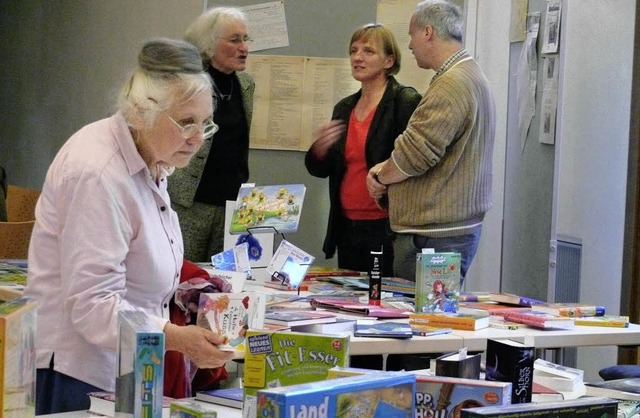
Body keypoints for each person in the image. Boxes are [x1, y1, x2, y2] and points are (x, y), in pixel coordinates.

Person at [24, 38, 234, 415]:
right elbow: (93, 306)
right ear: (141, 112)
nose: (199, 138)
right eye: (186, 122)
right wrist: (178, 339)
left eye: (205, 124)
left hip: (127, 363)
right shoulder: (99, 173)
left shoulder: (151, 157)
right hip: (80, 373)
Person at [367, 0, 496, 288]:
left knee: (421, 325)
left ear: (428, 32)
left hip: (435, 235)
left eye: (412, 35)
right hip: (448, 230)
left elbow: (415, 155)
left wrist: (379, 176)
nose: (410, 45)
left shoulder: (452, 84)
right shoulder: (469, 74)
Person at [305, 23, 421, 277]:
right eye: (353, 50)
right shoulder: (345, 107)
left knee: (386, 303)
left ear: (388, 61)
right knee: (348, 302)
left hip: (387, 226)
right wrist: (319, 148)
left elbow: (416, 161)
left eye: (368, 51)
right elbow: (321, 169)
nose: (357, 57)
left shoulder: (405, 102)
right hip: (346, 225)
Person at [169, 7, 255, 262]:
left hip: (233, 204)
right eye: (234, 39)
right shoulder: (188, 83)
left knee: (225, 282)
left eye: (245, 39)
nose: (244, 48)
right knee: (183, 275)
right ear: (208, 44)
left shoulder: (246, 84)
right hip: (190, 201)